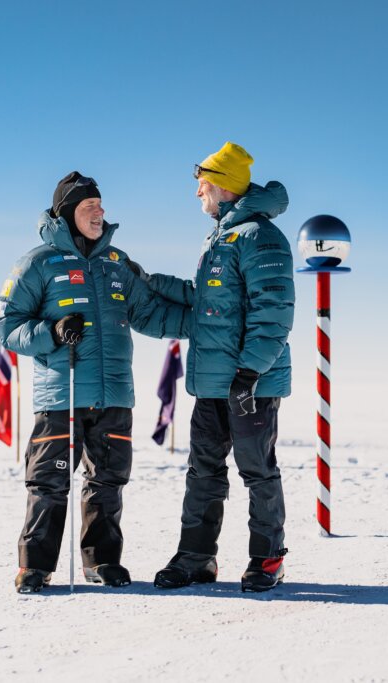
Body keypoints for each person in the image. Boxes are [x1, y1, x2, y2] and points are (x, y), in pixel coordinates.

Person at [0, 171, 189, 594]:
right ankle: (35, 566)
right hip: (61, 394)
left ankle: (102, 560)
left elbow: (151, 314)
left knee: (108, 482)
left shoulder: (115, 264)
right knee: (49, 482)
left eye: (101, 205)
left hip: (115, 393)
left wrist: (208, 323)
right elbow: (7, 325)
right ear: (67, 213)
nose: (99, 213)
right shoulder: (37, 263)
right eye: (89, 207)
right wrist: (52, 330)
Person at [140, 142, 296, 592]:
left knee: (256, 469)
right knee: (203, 471)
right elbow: (206, 300)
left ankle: (267, 560)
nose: (197, 194)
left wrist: (250, 373)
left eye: (201, 184)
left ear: (223, 186)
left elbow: (274, 310)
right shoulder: (223, 236)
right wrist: (149, 281)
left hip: (251, 384)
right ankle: (196, 558)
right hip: (211, 383)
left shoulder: (259, 236)